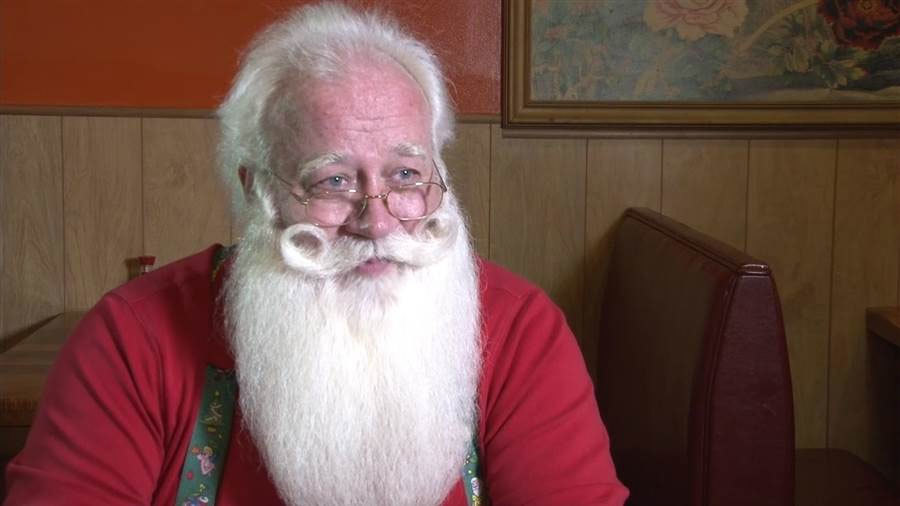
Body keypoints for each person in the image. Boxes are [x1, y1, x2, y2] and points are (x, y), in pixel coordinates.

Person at [2, 3, 627, 505]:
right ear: (258, 191)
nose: (377, 221)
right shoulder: (133, 339)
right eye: (333, 180)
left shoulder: (519, 331)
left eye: (406, 174)